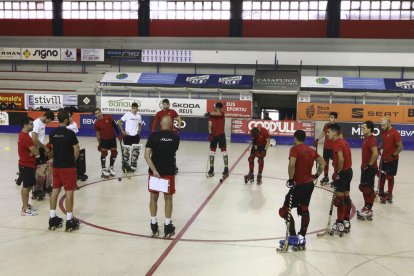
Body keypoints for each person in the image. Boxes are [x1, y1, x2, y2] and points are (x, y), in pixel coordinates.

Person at [278, 130, 325, 248]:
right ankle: (302, 237)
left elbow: (292, 165)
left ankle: (293, 237)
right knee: (304, 209)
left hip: (299, 185)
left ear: (295, 138)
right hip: (309, 185)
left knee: (285, 210)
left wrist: (291, 179)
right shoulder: (311, 150)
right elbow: (323, 163)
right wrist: (316, 175)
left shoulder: (294, 149)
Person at [145, 116, 180, 238]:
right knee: (168, 199)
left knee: (153, 198)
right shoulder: (175, 137)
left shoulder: (153, 136)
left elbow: (146, 155)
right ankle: (167, 226)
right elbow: (173, 151)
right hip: (168, 172)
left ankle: (153, 224)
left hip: (155, 173)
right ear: (171, 124)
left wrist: (154, 170)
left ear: (160, 123)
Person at [48, 109, 80, 232]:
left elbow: (51, 150)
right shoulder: (70, 133)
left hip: (56, 167)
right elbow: (76, 149)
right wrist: (73, 161)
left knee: (55, 191)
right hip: (67, 167)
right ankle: (69, 220)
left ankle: (52, 218)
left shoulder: (52, 133)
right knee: (69, 192)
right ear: (66, 119)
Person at [327, 123, 353, 236]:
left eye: (329, 132)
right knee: (346, 197)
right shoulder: (344, 142)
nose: (327, 134)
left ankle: (340, 223)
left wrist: (337, 172)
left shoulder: (337, 143)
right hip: (349, 171)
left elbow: (341, 159)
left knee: (339, 199)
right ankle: (346, 220)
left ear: (335, 132)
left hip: (342, 173)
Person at [151, 99, 181, 174]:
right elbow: (155, 122)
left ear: (169, 105)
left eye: (166, 104)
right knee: (163, 150)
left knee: (173, 151)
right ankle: (163, 164)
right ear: (162, 105)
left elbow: (179, 119)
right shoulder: (159, 113)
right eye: (164, 104)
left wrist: (178, 128)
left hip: (172, 134)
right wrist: (153, 131)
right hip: (163, 134)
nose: (165, 105)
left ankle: (173, 165)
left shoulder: (173, 112)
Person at [18, 117, 40, 216]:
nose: (33, 126)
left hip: (28, 164)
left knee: (30, 184)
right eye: (31, 124)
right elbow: (35, 151)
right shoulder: (25, 137)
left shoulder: (25, 136)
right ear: (26, 125)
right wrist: (34, 152)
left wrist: (33, 152)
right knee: (26, 186)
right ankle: (25, 208)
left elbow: (33, 152)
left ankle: (25, 205)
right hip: (26, 165)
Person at [379, 117, 403, 204]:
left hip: (392, 159)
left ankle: (389, 193)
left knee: (389, 177)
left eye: (384, 125)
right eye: (381, 125)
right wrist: (379, 147)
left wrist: (392, 156)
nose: (382, 127)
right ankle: (381, 191)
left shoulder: (395, 133)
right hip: (384, 158)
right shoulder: (383, 131)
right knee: (381, 175)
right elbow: (383, 142)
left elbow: (401, 147)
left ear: (389, 123)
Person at [357, 121, 378, 220]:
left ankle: (369, 209)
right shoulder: (366, 139)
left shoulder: (372, 139)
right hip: (365, 167)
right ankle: (366, 206)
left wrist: (369, 165)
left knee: (368, 189)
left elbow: (375, 153)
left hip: (369, 168)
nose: (362, 129)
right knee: (364, 187)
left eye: (364, 127)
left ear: (369, 129)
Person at [93, 108, 122, 177]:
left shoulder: (108, 117)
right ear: (95, 115)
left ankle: (111, 167)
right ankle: (103, 169)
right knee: (104, 154)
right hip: (104, 140)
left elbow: (115, 125)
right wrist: (99, 143)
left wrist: (118, 134)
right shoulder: (96, 124)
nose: (98, 114)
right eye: (96, 113)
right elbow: (97, 134)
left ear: (101, 112)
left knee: (114, 153)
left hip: (112, 139)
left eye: (99, 112)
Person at [313, 112, 338, 185]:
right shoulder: (326, 125)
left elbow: (340, 137)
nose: (330, 118)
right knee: (325, 163)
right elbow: (323, 133)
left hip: (334, 148)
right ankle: (326, 177)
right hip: (326, 148)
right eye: (329, 117)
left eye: (332, 117)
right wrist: (317, 139)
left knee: (335, 163)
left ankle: (336, 177)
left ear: (335, 118)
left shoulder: (337, 127)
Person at [206, 102, 229, 178]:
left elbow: (217, 114)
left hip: (221, 134)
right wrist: (210, 134)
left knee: (223, 151)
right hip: (214, 135)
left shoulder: (221, 113)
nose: (215, 108)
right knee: (212, 152)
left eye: (216, 107)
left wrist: (209, 113)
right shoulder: (211, 115)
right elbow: (209, 125)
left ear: (217, 107)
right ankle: (211, 168)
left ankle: (226, 168)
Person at [117, 102, 142, 171]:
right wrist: (122, 131)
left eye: (136, 108)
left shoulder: (139, 116)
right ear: (132, 108)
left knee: (135, 152)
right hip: (127, 136)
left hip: (136, 136)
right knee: (126, 151)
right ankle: (125, 165)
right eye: (134, 108)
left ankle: (133, 165)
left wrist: (139, 130)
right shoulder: (127, 114)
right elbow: (119, 121)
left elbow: (140, 124)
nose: (135, 110)